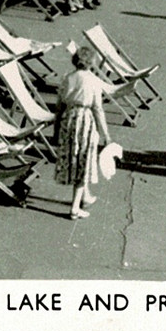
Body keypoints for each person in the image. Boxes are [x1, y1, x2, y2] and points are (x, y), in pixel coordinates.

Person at [56, 48, 114, 219]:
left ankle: (86, 196)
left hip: (69, 118)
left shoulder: (68, 78)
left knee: (73, 158)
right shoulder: (93, 81)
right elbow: (98, 109)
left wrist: (56, 128)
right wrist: (107, 136)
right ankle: (75, 207)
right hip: (85, 119)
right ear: (92, 63)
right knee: (84, 160)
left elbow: (59, 106)